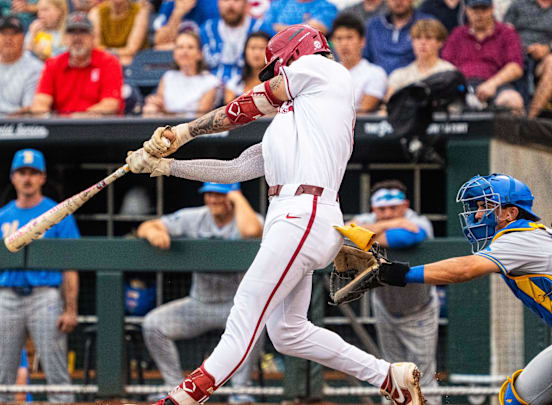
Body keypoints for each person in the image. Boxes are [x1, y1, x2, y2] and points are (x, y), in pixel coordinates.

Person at [125, 24, 426, 405]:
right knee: (287, 332)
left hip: (303, 211)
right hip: (294, 214)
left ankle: (180, 400)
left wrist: (184, 132)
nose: (275, 76)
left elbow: (253, 103)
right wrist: (165, 166)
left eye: (277, 68)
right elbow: (235, 169)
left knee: (244, 313)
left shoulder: (323, 70)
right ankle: (387, 377)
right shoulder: (299, 119)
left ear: (295, 54)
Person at [370, 173, 551, 405]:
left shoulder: (519, 238)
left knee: (518, 398)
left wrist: (399, 274)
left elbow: (465, 268)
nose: (477, 214)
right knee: (517, 397)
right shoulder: (528, 235)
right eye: (477, 207)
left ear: (510, 213)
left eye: (485, 206)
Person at [139, 182, 264, 403]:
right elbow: (146, 226)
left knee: (258, 324)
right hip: (199, 304)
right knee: (153, 324)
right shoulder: (194, 217)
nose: (213, 199)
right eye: (209, 194)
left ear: (234, 197)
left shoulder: (246, 218)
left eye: (220, 194)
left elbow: (252, 231)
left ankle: (241, 391)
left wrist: (236, 197)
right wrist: (153, 232)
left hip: (235, 306)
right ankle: (175, 389)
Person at [0, 148, 80, 403]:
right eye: (22, 172)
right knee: (2, 371)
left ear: (42, 178)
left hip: (45, 296)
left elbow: (71, 266)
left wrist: (70, 308)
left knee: (55, 367)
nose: (27, 178)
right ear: (13, 177)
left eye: (33, 173)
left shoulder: (58, 213)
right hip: (8, 297)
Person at [347, 180, 441, 405]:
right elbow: (345, 234)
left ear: (405, 205)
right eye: (382, 209)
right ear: (373, 209)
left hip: (420, 309)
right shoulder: (378, 220)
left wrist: (367, 238)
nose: (388, 213)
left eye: (394, 209)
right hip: (385, 306)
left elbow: (406, 238)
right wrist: (396, 223)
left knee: (422, 376)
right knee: (392, 373)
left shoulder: (419, 221)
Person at [30, 12, 124, 115]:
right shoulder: (53, 64)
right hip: (62, 127)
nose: (77, 37)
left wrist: (80, 119)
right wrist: (45, 116)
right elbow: (40, 102)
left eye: (83, 32)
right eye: (71, 32)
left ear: (93, 37)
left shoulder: (109, 62)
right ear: (65, 37)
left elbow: (110, 105)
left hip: (98, 127)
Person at [441, 0, 524, 113]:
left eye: (484, 9)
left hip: (497, 84)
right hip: (462, 86)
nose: (479, 14)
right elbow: (445, 65)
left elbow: (516, 67)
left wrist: (492, 83)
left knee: (513, 100)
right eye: (475, 10)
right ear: (467, 10)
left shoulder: (506, 33)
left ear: (492, 9)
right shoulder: (457, 34)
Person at [142, 30, 220, 115]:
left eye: (190, 47)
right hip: (168, 124)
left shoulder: (210, 81)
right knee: (149, 109)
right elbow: (161, 104)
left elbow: (200, 119)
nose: (184, 52)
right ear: (174, 53)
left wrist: (166, 111)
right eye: (180, 47)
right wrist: (156, 103)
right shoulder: (168, 77)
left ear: (200, 54)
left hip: (194, 126)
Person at [199, 0, 274, 84]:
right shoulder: (207, 30)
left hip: (250, 88)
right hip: (210, 88)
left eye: (236, 0)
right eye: (225, 0)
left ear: (246, 3)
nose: (230, 4)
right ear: (218, 3)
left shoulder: (262, 28)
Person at [384, 19, 455, 100]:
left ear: (440, 42)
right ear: (412, 42)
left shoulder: (450, 72)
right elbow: (387, 108)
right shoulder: (399, 75)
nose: (423, 43)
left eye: (428, 38)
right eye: (418, 38)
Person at [504, 0, 552, 117]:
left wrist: (547, 48)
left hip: (544, 57)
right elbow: (504, 31)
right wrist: (517, 47)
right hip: (517, 53)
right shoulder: (518, 4)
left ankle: (530, 118)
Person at [330, 14, 387, 113]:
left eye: (349, 37)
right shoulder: (327, 73)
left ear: (362, 41)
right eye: (339, 39)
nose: (344, 44)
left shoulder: (375, 73)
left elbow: (362, 113)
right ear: (332, 42)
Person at [363, 0, 435, 74]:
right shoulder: (374, 25)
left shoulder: (427, 23)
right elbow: (364, 58)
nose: (398, 1)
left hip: (415, 79)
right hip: (376, 80)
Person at [89, 0, 152, 66]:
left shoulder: (139, 11)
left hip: (135, 58)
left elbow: (131, 49)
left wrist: (110, 53)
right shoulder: (96, 12)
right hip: (105, 58)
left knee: (126, 60)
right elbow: (95, 46)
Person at [223, 31, 270, 103]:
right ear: (245, 52)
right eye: (253, 48)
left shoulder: (278, 81)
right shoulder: (234, 83)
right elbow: (228, 110)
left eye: (262, 48)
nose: (257, 53)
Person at [153, 0, 220, 49]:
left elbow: (210, 42)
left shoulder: (212, 4)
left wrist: (179, 47)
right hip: (175, 59)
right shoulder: (169, 4)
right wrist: (177, 14)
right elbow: (159, 43)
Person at [263, 0, 338, 35]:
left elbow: (317, 30)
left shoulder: (326, 7)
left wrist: (281, 28)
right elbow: (266, 29)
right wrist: (305, 26)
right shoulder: (279, 4)